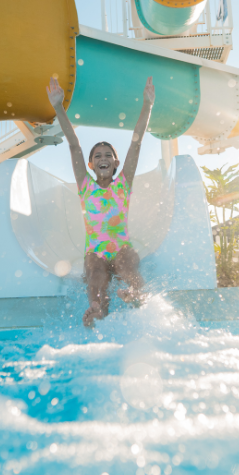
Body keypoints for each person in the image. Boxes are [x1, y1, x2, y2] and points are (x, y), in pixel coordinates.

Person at [46, 75, 156, 326]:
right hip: (95, 250)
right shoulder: (86, 186)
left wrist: (147, 105)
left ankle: (137, 293)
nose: (103, 157)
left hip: (121, 246)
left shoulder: (123, 185)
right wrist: (58, 107)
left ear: (116, 163)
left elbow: (136, 143)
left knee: (126, 264)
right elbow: (74, 146)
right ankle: (97, 307)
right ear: (91, 164)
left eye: (108, 155)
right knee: (95, 271)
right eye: (98, 155)